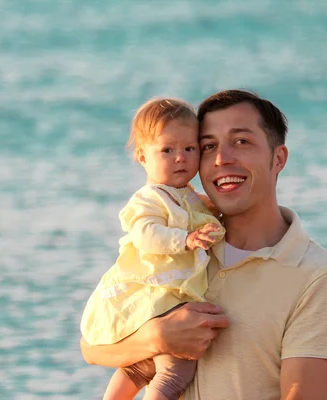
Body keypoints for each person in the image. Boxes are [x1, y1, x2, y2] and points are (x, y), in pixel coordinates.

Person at [80, 89, 327, 400]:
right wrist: (157, 337)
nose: (222, 159)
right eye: (208, 146)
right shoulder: (178, 251)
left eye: (242, 142)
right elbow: (91, 348)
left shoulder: (317, 278)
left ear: (278, 158)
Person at [80, 97, 225, 400]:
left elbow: (201, 212)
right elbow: (146, 234)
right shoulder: (150, 198)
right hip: (157, 298)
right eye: (167, 150)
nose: (180, 158)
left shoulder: (189, 197)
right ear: (142, 157)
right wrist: (184, 240)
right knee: (175, 373)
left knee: (139, 367)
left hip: (166, 300)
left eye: (189, 149)